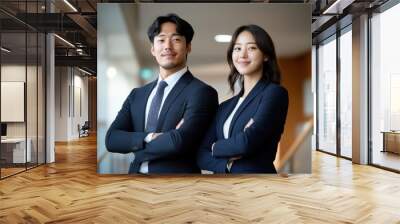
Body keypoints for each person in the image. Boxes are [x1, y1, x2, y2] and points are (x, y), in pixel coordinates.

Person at [105, 13, 218, 174]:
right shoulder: (137, 95)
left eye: (176, 39)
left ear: (188, 47)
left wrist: (134, 146)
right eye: (161, 39)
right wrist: (149, 137)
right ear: (152, 48)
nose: (167, 46)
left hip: (177, 187)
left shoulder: (201, 93)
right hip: (134, 181)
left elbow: (179, 142)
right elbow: (111, 139)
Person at [197, 25, 289, 174]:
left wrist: (215, 147)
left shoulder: (274, 94)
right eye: (237, 48)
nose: (243, 55)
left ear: (266, 55)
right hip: (222, 188)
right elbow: (201, 155)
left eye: (252, 48)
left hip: (257, 186)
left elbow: (246, 143)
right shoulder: (224, 107)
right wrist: (228, 165)